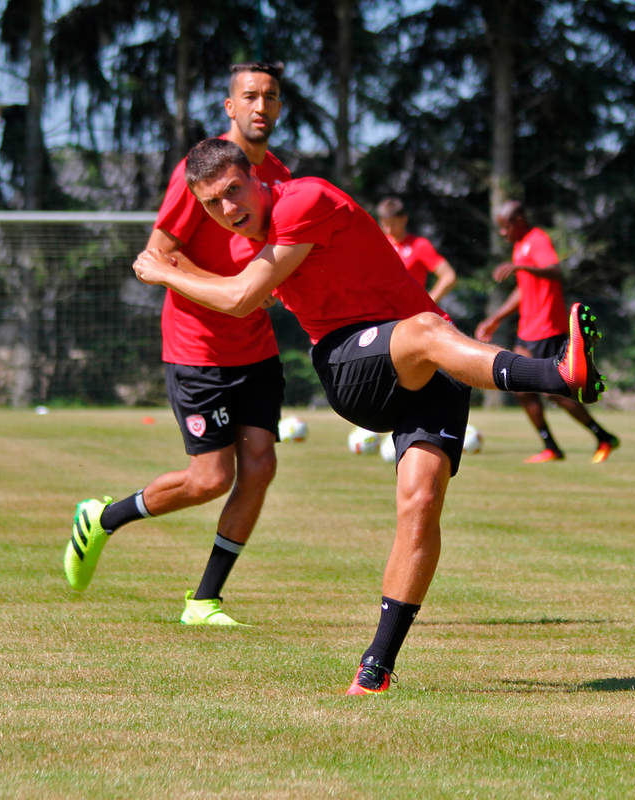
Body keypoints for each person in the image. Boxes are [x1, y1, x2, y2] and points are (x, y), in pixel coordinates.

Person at [130, 137, 606, 694]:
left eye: (234, 190)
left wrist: (165, 270)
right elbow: (240, 294)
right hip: (353, 368)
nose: (229, 209)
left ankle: (375, 667)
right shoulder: (248, 250)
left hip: (431, 360)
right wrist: (177, 267)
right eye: (212, 204)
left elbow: (240, 296)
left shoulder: (302, 201)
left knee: (421, 505)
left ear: (256, 178)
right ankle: (558, 374)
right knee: (430, 331)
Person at [64, 63, 291, 626]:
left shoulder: (278, 175)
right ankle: (103, 518)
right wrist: (232, 291)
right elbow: (158, 254)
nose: (261, 106)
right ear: (229, 107)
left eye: (270, 97)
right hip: (199, 351)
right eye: (249, 96)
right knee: (210, 480)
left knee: (259, 468)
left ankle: (204, 600)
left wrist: (273, 290)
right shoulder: (203, 172)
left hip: (256, 348)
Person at [474, 200, 619, 464]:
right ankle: (551, 447)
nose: (503, 234)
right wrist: (495, 318)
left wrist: (521, 267)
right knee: (521, 388)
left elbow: (555, 271)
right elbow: (523, 289)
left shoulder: (537, 239)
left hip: (548, 328)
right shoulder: (520, 246)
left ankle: (603, 437)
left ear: (518, 221)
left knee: (556, 391)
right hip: (527, 329)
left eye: (505, 228)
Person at [375, 197, 457, 304]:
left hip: (409, 313)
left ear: (404, 219)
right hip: (382, 311)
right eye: (385, 224)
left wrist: (428, 302)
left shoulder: (419, 246)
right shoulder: (379, 244)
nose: (389, 230)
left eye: (393, 224)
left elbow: (449, 276)